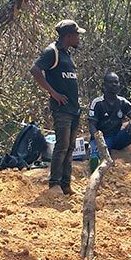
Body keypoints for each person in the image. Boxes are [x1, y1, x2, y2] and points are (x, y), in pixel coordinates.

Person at [31, 20, 85, 195]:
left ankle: (65, 184)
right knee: (61, 146)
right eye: (77, 35)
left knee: (70, 147)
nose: (79, 38)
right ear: (68, 36)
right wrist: (53, 93)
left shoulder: (67, 54)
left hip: (73, 109)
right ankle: (54, 184)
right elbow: (35, 70)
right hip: (61, 109)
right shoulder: (51, 52)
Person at [87, 72, 131, 172]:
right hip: (103, 138)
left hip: (117, 138)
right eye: (110, 82)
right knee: (95, 159)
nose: (114, 85)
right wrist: (98, 141)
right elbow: (91, 125)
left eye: (116, 82)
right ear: (104, 85)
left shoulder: (123, 102)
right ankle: (95, 172)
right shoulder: (97, 103)